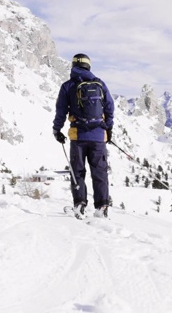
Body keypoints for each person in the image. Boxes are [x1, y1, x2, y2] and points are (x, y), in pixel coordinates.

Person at [53, 53, 115, 218]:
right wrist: (107, 129)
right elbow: (109, 108)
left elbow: (61, 110)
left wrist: (57, 130)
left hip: (78, 137)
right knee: (99, 172)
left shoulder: (68, 86)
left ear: (73, 66)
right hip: (98, 137)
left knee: (78, 172)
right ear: (89, 66)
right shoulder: (100, 84)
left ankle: (80, 204)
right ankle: (102, 207)